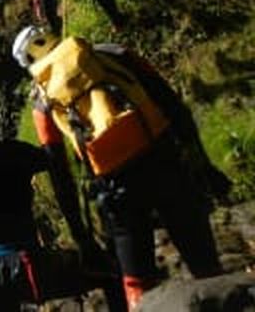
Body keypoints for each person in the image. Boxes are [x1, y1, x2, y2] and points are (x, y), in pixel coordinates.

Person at [12, 26, 230, 310]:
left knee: (138, 285)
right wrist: (204, 165)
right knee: (206, 266)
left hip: (117, 191)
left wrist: (82, 238)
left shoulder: (43, 103)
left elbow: (60, 173)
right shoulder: (112, 53)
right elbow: (173, 105)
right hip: (165, 162)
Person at [0, 92, 124, 311]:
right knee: (110, 276)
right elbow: (51, 156)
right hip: (30, 265)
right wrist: (47, 114)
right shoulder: (8, 154)